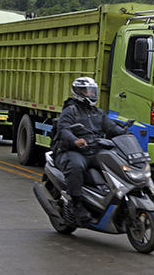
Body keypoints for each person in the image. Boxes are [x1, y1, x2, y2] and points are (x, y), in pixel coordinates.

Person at [54, 77, 126, 222]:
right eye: (88, 91)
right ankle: (76, 203)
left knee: (116, 163)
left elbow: (111, 127)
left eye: (93, 91)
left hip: (95, 150)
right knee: (76, 167)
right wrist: (75, 140)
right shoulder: (71, 111)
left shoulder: (98, 112)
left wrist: (125, 134)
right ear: (78, 92)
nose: (92, 94)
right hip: (75, 151)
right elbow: (63, 130)